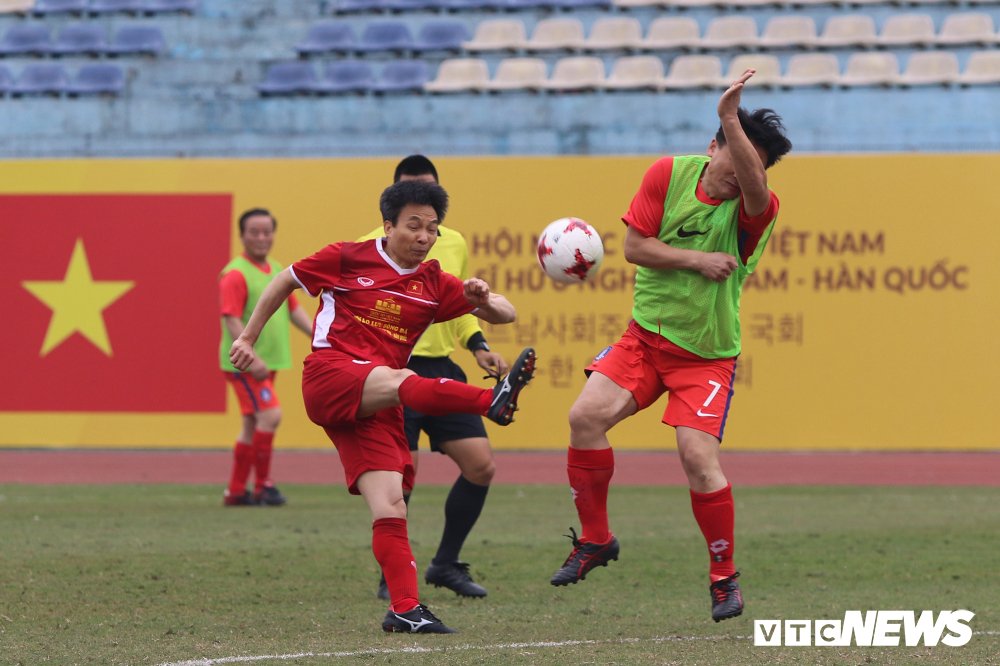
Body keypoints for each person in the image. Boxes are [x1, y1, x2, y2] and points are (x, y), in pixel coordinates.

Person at [229, 180, 536, 634]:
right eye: (414, 226)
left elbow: (507, 314)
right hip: (331, 375)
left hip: (378, 402)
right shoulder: (348, 256)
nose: (424, 237)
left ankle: (405, 609)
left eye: (432, 229)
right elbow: (284, 280)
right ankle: (492, 399)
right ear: (388, 225)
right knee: (403, 379)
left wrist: (484, 298)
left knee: (391, 504)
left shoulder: (431, 282)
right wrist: (248, 337)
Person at [548, 69, 792, 623]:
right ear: (712, 148)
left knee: (697, 458)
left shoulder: (758, 209)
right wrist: (697, 260)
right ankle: (595, 539)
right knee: (583, 418)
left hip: (705, 356)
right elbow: (635, 248)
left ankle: (723, 577)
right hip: (645, 339)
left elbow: (756, 187)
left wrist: (731, 117)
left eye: (755, 168)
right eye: (735, 160)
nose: (742, 179)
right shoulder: (668, 174)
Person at [359, 155, 509, 601]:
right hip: (393, 373)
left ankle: (445, 563)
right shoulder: (367, 247)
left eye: (431, 198)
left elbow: (456, 305)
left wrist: (479, 344)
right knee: (401, 481)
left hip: (441, 368)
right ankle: (393, 573)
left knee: (481, 466)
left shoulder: (452, 242)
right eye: (412, 196)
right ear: (391, 214)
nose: (423, 217)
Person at [219, 208, 313, 507]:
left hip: (268, 362)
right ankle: (262, 486)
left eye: (266, 232)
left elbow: (293, 308)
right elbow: (231, 318)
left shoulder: (276, 269)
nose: (261, 238)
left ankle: (236, 491)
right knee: (271, 416)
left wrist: (318, 334)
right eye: (254, 232)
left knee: (252, 423)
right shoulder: (235, 273)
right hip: (246, 364)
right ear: (242, 236)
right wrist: (252, 355)